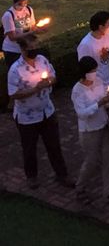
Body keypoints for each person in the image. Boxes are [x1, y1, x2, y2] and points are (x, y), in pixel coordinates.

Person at [7, 33, 74, 190]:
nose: (35, 50)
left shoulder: (42, 60)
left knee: (54, 145)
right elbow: (14, 94)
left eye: (36, 47)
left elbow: (53, 77)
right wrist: (35, 89)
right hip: (27, 117)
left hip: (47, 112)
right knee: (29, 148)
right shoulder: (15, 70)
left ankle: (62, 175)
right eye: (31, 48)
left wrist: (49, 81)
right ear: (23, 49)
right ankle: (31, 177)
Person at [71, 55, 109, 205]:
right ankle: (80, 187)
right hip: (89, 131)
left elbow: (106, 100)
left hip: (103, 126)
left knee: (108, 160)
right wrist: (99, 103)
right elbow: (82, 114)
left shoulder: (98, 81)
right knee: (91, 161)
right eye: (92, 71)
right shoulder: (77, 91)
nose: (95, 73)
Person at [2, 0, 39, 68]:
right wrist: (30, 33)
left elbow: (32, 26)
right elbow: (12, 37)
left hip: (26, 48)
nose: (22, 7)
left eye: (25, 3)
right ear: (14, 3)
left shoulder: (29, 10)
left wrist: (38, 29)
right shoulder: (8, 15)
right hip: (12, 50)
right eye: (20, 4)